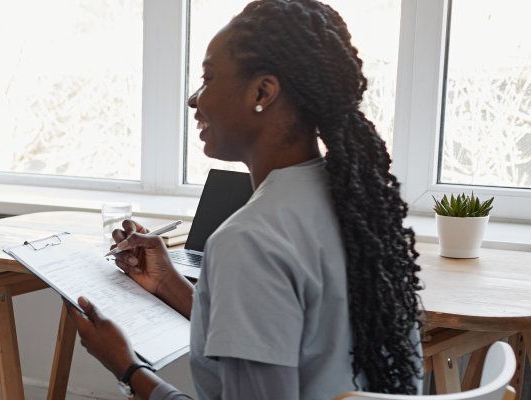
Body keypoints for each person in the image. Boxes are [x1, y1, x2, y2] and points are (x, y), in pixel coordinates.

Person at [68, 1, 424, 399]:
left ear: (263, 92)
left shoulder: (250, 240)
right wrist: (168, 283)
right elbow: (296, 339)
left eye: (208, 78)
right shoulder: (360, 209)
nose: (194, 100)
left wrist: (128, 367)